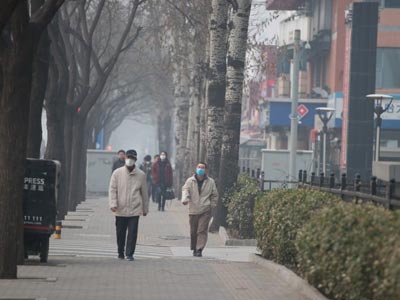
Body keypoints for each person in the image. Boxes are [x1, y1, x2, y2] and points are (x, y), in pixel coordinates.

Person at [109, 149, 149, 261]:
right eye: (128, 158)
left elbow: (144, 193)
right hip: (120, 208)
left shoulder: (141, 175)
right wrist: (113, 203)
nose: (130, 160)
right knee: (120, 232)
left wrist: (145, 208)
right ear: (125, 158)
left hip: (134, 209)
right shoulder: (117, 173)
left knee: (132, 233)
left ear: (135, 160)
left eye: (132, 158)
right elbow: (112, 190)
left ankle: (130, 253)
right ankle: (120, 252)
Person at [181, 162, 218, 257]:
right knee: (193, 231)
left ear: (206, 170)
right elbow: (185, 190)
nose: (200, 169)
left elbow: (214, 194)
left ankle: (199, 249)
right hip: (193, 210)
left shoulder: (210, 182)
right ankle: (194, 247)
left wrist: (212, 205)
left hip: (205, 210)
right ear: (196, 168)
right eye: (199, 167)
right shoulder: (190, 181)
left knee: (201, 230)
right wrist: (185, 199)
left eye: (203, 167)